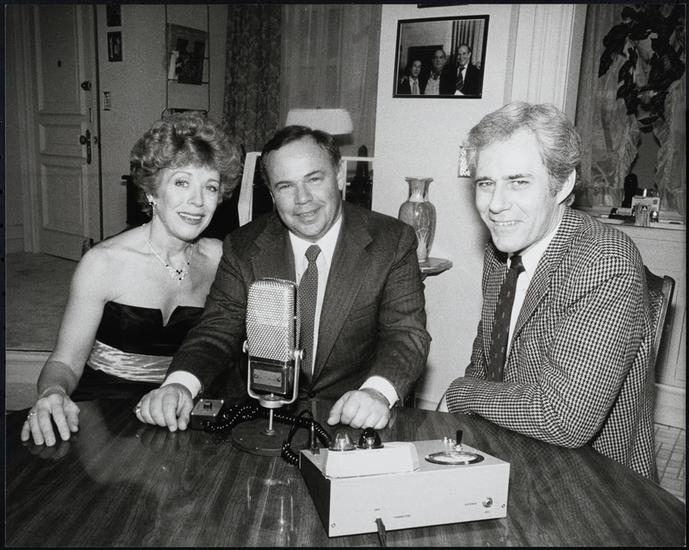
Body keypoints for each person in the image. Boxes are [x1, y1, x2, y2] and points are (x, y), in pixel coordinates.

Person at [135, 125, 430, 432]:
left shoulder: (391, 241)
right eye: (286, 186)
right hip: (257, 419)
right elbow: (216, 330)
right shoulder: (243, 246)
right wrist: (180, 385)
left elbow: (405, 333)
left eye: (314, 179)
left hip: (349, 418)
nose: (303, 199)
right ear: (272, 194)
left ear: (340, 174)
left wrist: (376, 393)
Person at [443, 102, 657, 480]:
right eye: (486, 183)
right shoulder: (500, 252)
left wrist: (460, 393)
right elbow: (486, 360)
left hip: (594, 483)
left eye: (519, 182)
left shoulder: (604, 261)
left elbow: (563, 418)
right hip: (505, 452)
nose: (496, 205)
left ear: (564, 184)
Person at [20, 111, 242, 447]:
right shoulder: (103, 263)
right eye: (182, 182)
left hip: (185, 409)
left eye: (210, 187)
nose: (197, 201)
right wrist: (53, 393)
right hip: (106, 413)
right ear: (153, 191)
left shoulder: (222, 259)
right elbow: (65, 361)